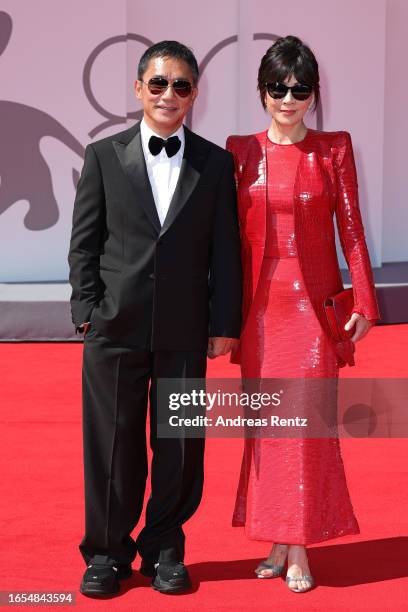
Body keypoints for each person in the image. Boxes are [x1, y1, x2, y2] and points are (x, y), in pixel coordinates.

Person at [68, 40, 242, 597]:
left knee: (181, 443)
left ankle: (165, 546)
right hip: (114, 328)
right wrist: (87, 313)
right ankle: (106, 553)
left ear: (195, 94)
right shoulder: (102, 155)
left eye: (182, 85)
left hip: (186, 328)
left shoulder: (215, 163)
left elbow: (225, 251)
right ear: (139, 88)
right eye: (159, 83)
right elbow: (84, 244)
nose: (170, 94)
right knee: (112, 445)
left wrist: (224, 323)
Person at [226, 35, 380, 593]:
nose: (287, 99)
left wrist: (365, 300)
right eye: (277, 88)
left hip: (313, 314)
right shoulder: (239, 151)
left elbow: (353, 231)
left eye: (300, 90)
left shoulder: (333, 148)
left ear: (314, 95)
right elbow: (225, 243)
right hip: (258, 315)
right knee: (268, 430)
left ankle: (299, 551)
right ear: (262, 91)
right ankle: (277, 537)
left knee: (306, 429)